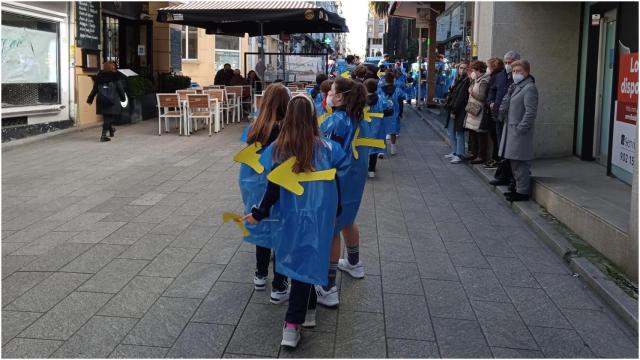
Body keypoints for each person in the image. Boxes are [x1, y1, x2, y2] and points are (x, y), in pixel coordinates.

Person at [242, 95, 350, 348]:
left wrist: (259, 213)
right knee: (311, 259)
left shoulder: (278, 149)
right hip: (321, 214)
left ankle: (302, 317)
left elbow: (272, 186)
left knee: (298, 261)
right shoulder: (328, 148)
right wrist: (338, 208)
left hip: (290, 216)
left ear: (288, 118)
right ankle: (294, 322)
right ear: (313, 118)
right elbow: (337, 177)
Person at [236, 84, 291, 303]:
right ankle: (279, 285)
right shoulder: (287, 130)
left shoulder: (255, 127)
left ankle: (260, 275)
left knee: (262, 227)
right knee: (281, 234)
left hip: (255, 187)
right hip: (280, 187)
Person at [316, 78, 368, 307]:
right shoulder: (357, 116)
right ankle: (354, 263)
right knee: (348, 219)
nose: (328, 94)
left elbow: (324, 153)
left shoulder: (335, 121)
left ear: (340, 97)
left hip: (336, 178)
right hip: (354, 177)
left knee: (331, 228)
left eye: (332, 91)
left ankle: (328, 287)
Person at [499, 60, 538, 202]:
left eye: (519, 71)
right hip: (511, 130)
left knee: (521, 162)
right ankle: (517, 188)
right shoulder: (515, 87)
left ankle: (522, 191)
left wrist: (521, 128)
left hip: (520, 132)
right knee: (514, 162)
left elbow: (530, 112)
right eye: (514, 71)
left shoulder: (529, 88)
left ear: (526, 72)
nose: (515, 74)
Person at [490, 50, 521, 187]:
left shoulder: (521, 77)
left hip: (512, 118)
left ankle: (510, 177)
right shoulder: (499, 76)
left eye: (510, 62)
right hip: (498, 115)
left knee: (510, 148)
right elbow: (492, 91)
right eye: (506, 62)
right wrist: (490, 102)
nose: (508, 65)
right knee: (500, 146)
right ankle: (502, 174)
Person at [87, 61, 126, 142]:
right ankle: (103, 136)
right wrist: (123, 98)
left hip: (102, 100)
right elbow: (120, 89)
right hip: (112, 101)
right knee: (108, 118)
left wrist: (90, 99)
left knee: (107, 117)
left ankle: (111, 130)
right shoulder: (115, 77)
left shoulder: (99, 76)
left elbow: (94, 89)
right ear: (112, 68)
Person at [364, 78, 394, 178]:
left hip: (364, 126)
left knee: (363, 148)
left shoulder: (361, 99)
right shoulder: (381, 98)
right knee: (374, 148)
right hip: (377, 127)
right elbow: (388, 106)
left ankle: (363, 169)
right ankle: (371, 170)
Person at [464, 60, 491, 164]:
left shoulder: (484, 81)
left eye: (473, 70)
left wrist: (471, 92)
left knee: (479, 134)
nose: (472, 72)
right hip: (472, 109)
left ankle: (480, 156)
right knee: (473, 132)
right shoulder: (476, 79)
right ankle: (474, 154)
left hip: (479, 110)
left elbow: (482, 97)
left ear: (478, 70)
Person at [443, 62, 470, 164]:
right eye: (460, 68)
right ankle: (454, 152)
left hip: (459, 110)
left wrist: (454, 110)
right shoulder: (458, 80)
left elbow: (460, 97)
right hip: (453, 109)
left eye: (464, 68)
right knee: (451, 132)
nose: (462, 70)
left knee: (459, 133)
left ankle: (459, 154)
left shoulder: (466, 81)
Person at [485, 57, 508, 168]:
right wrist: (490, 102)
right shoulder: (497, 77)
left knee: (498, 138)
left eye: (488, 67)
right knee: (496, 137)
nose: (487, 69)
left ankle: (498, 160)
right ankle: (499, 161)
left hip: (500, 113)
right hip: (494, 111)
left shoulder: (499, 77)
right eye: (506, 62)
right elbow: (491, 93)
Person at [379, 70, 405, 155]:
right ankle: (393, 148)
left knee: (382, 131)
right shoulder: (398, 90)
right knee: (393, 131)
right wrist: (401, 113)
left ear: (385, 79)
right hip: (394, 114)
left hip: (382, 113)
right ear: (393, 79)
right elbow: (401, 102)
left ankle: (382, 151)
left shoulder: (380, 90)